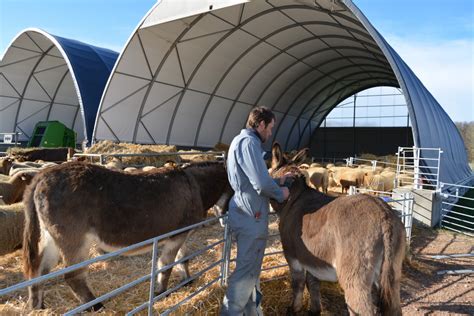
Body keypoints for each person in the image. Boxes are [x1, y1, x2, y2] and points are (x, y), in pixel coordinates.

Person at [221, 106, 292, 316]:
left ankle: (252, 312)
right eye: (269, 128)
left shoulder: (241, 142)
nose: (270, 133)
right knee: (245, 272)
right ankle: (230, 313)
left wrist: (277, 180)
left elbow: (253, 179)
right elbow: (260, 184)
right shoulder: (249, 143)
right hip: (250, 215)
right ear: (260, 124)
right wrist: (282, 193)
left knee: (251, 271)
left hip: (249, 212)